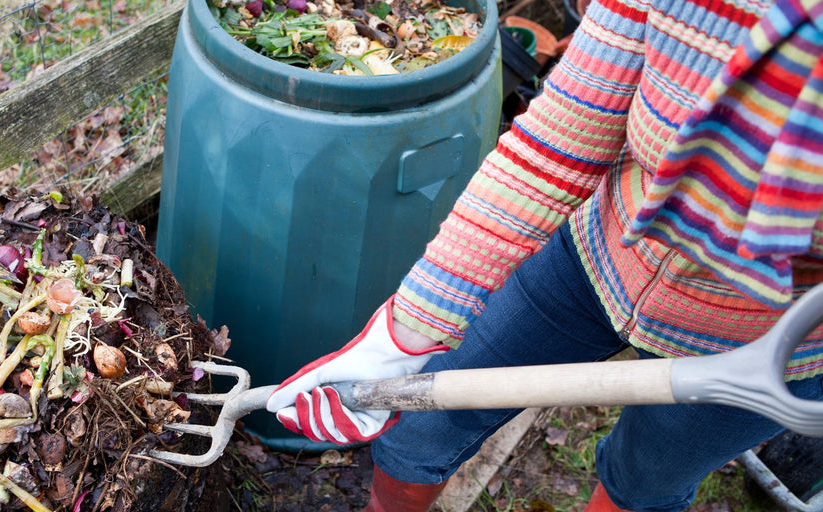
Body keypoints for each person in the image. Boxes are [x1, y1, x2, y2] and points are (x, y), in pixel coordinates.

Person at [265, 0, 823, 508]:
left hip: (766, 339)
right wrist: (401, 336)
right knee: (419, 430)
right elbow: (558, 142)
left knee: (644, 483)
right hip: (593, 256)